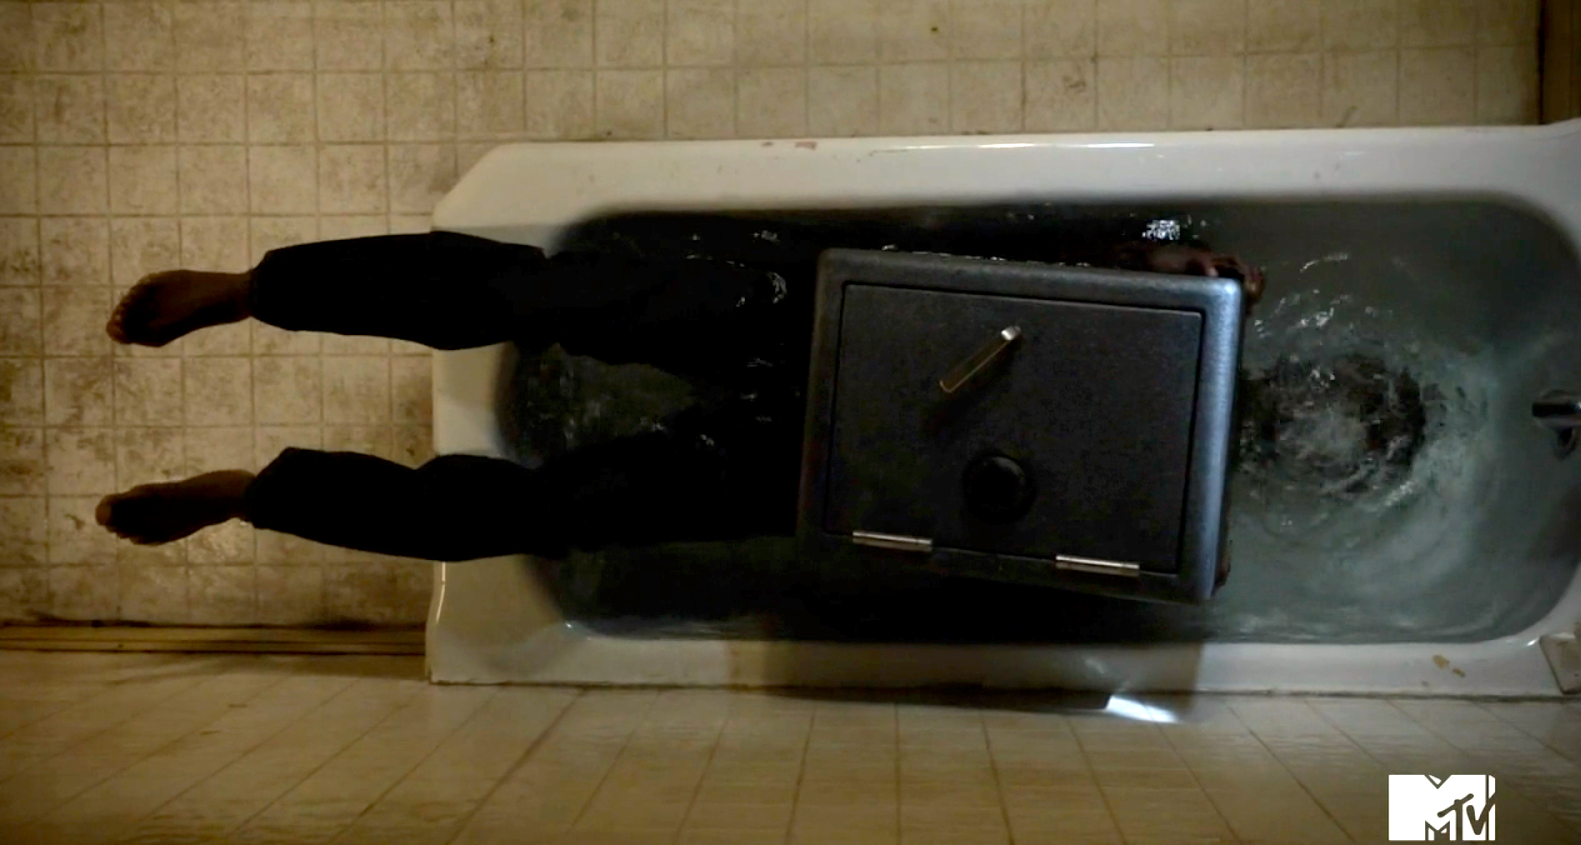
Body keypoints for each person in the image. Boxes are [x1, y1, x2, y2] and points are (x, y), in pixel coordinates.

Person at [95, 232, 1264, 563]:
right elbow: (1042, 254)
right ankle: (255, 291)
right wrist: (1160, 263)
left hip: (797, 470)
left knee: (527, 521)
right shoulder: (1193, 322)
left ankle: (251, 494)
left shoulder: (1161, 517)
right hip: (808, 311)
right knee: (530, 293)